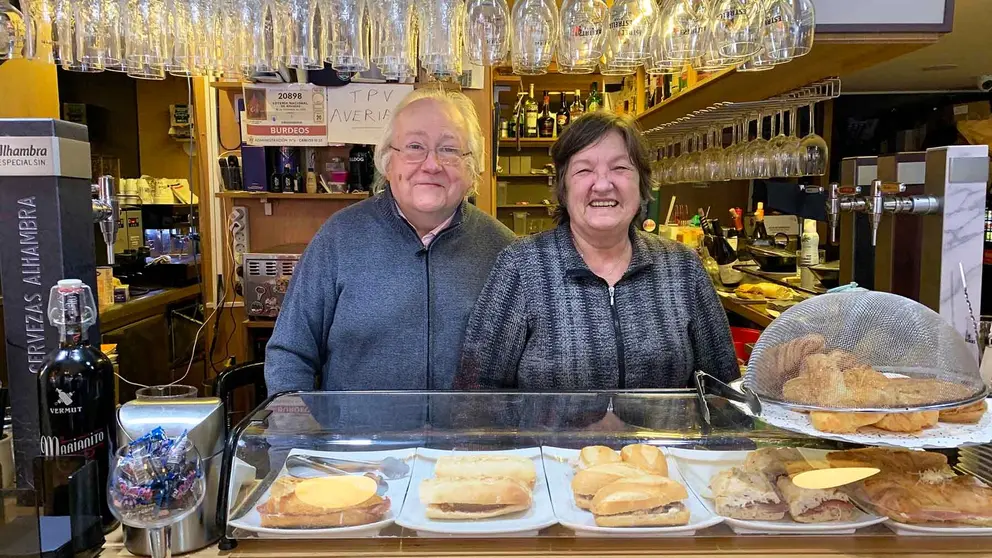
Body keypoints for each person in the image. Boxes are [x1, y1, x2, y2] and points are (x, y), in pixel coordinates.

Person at [456, 111, 739, 392]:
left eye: (620, 168)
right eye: (584, 170)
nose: (603, 185)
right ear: (563, 189)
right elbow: (476, 393)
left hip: (657, 440)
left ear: (641, 185)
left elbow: (724, 390)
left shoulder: (683, 268)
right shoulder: (521, 265)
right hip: (548, 439)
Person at [264, 88, 515, 395]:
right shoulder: (339, 239)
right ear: (387, 161)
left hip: (464, 442)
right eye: (414, 147)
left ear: (471, 168)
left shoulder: (504, 251)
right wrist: (297, 428)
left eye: (449, 150)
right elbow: (290, 353)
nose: (432, 164)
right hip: (355, 440)